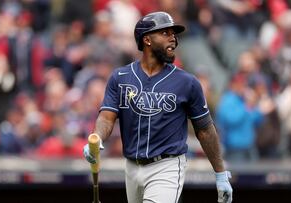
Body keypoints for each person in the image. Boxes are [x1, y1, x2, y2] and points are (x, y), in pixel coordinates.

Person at [83, 11, 232, 203]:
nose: (173, 39)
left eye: (174, 34)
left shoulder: (187, 82)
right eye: (165, 33)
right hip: (131, 166)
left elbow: (204, 130)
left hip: (167, 166)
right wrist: (97, 139)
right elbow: (106, 117)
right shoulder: (120, 77)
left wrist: (220, 173)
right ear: (147, 40)